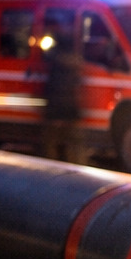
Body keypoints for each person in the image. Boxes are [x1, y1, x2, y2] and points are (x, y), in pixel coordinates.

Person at [41, 30, 84, 163]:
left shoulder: (56, 65)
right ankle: (75, 169)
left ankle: (53, 171)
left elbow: (53, 89)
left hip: (57, 112)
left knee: (51, 144)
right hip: (71, 111)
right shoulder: (76, 66)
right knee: (73, 146)